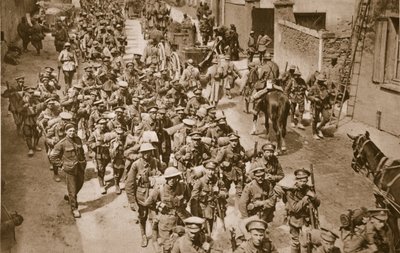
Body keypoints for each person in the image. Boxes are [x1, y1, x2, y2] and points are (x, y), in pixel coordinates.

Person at [143, 167, 191, 251]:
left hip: (181, 219)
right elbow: (147, 203)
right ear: (166, 179)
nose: (172, 180)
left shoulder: (183, 186)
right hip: (166, 221)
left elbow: (188, 196)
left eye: (174, 177)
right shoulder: (160, 189)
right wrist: (158, 206)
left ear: (177, 178)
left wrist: (184, 202)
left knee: (183, 243)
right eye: (169, 178)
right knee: (167, 246)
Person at [125, 142, 163, 247]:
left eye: (149, 151)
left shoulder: (155, 162)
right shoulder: (136, 164)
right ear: (141, 153)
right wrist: (132, 202)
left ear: (152, 152)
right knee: (142, 217)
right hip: (141, 196)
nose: (147, 154)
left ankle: (155, 238)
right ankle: (144, 236)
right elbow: (129, 185)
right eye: (144, 152)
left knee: (154, 218)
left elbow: (162, 176)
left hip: (154, 196)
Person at [275, 169, 320, 253]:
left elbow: (317, 204)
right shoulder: (290, 191)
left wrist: (314, 197)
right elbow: (295, 208)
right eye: (301, 181)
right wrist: (306, 198)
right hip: (295, 219)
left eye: (305, 181)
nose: (304, 183)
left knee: (309, 241)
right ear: (297, 180)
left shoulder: (307, 188)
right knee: (295, 242)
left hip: (307, 219)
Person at [49, 123, 86, 218]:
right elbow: (52, 156)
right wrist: (61, 165)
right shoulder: (62, 143)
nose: (72, 133)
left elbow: (81, 152)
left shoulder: (78, 139)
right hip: (70, 169)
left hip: (80, 167)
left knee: (80, 184)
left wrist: (83, 160)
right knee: (72, 189)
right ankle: (74, 208)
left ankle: (70, 196)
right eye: (70, 131)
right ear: (66, 132)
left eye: (73, 131)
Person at [307, 74, 334, 140]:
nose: (322, 82)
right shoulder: (314, 87)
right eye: (320, 81)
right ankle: (314, 133)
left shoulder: (325, 87)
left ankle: (318, 128)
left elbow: (327, 96)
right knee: (315, 119)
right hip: (316, 105)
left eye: (323, 81)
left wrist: (330, 102)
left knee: (327, 118)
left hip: (323, 105)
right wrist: (314, 98)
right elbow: (308, 96)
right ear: (318, 80)